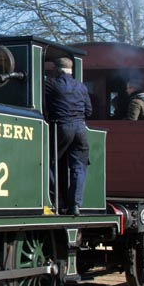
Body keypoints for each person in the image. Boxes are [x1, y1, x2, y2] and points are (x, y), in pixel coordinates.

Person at [44, 57, 92, 216]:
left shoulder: (51, 84)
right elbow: (89, 111)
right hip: (80, 128)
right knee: (79, 167)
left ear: (57, 69)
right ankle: (76, 205)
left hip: (62, 126)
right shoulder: (81, 86)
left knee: (49, 161)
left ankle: (56, 200)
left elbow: (43, 105)